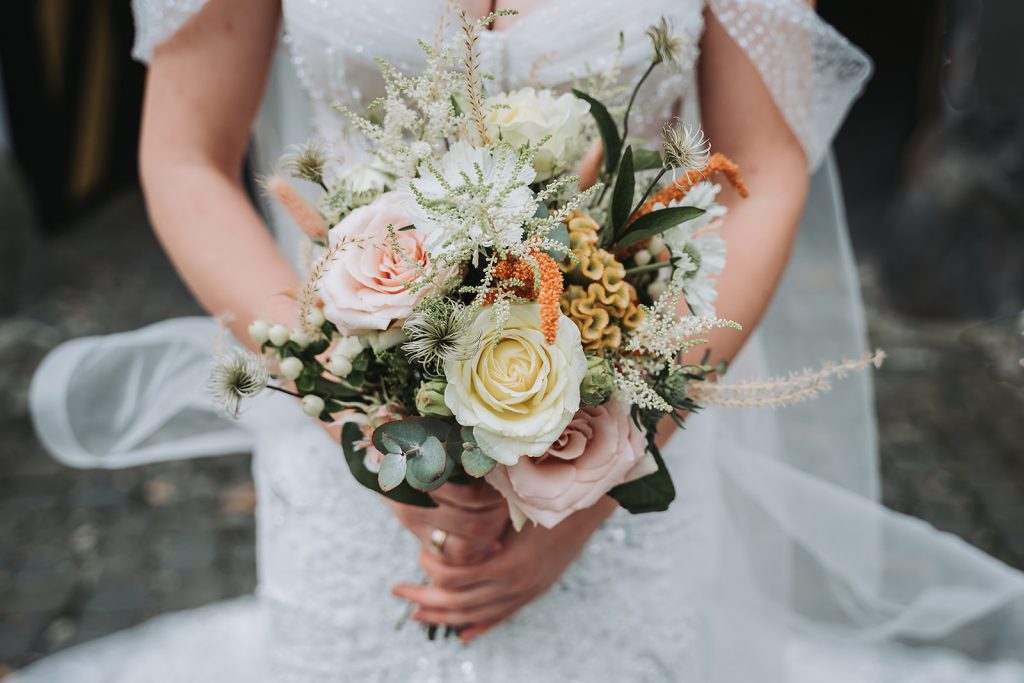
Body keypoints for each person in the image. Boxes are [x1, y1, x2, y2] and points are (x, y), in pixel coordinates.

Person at [18, 0, 1024, 681]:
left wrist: (611, 458)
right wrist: (363, 417)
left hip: (634, 407)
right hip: (347, 421)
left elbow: (760, 165)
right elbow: (184, 155)